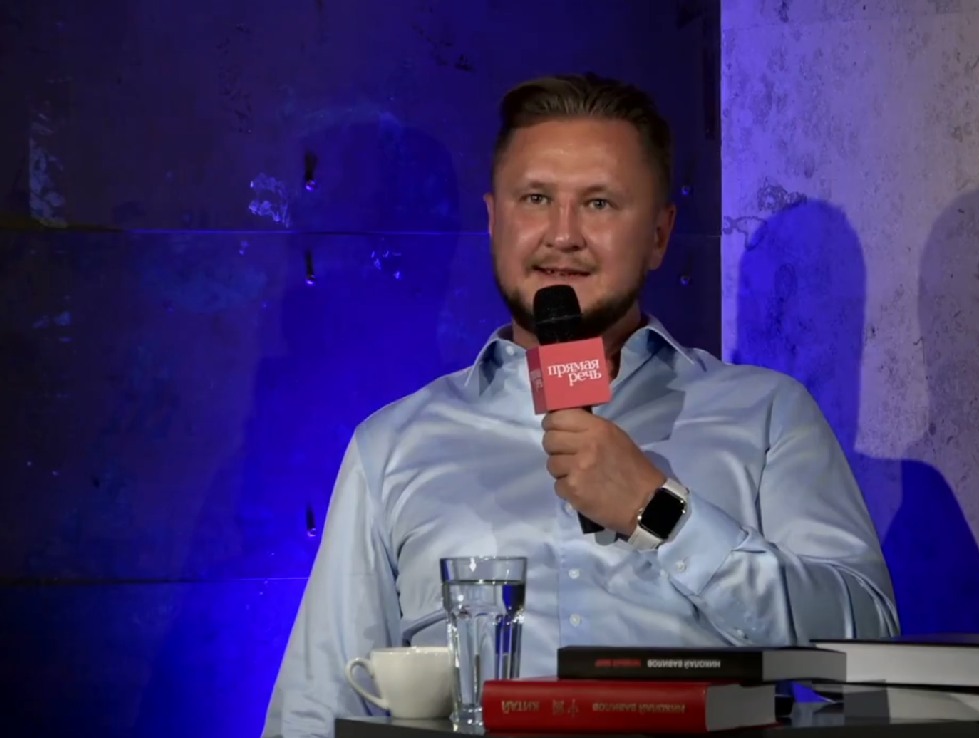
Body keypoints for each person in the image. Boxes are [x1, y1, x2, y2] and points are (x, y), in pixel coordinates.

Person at [261, 72, 899, 738]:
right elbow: (315, 711)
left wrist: (660, 512)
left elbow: (870, 654)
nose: (562, 234)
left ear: (659, 234)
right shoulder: (393, 445)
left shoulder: (767, 416)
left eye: (599, 203)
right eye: (536, 198)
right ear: (495, 221)